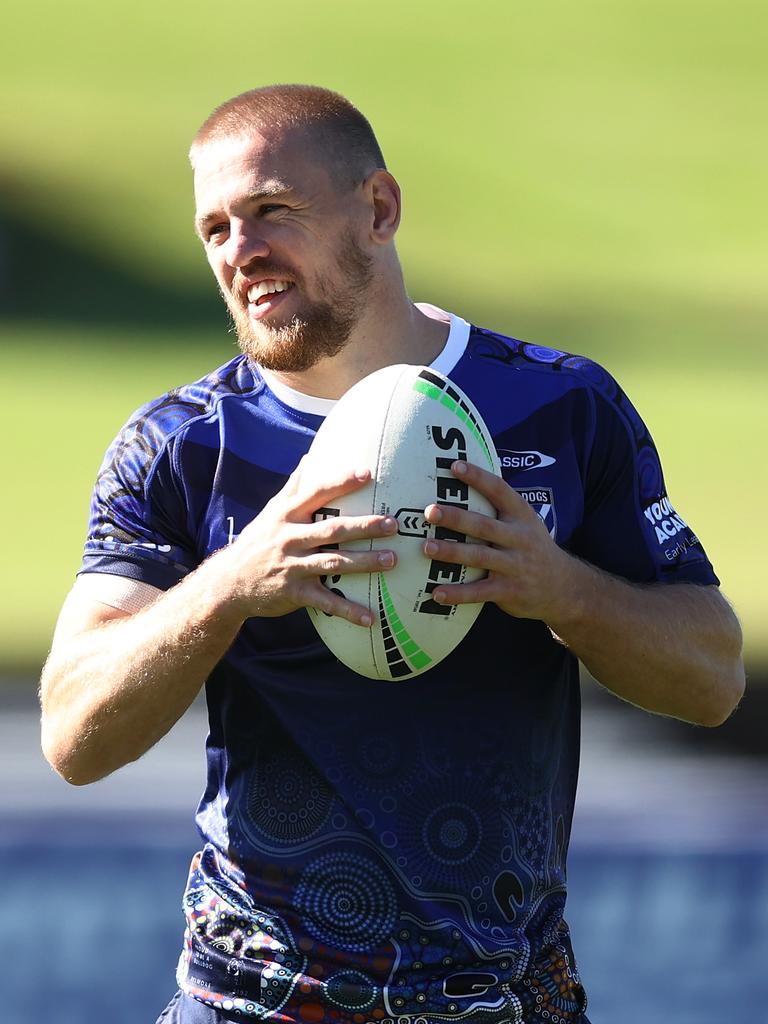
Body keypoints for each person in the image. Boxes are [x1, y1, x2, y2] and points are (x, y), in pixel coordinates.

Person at [40, 85, 745, 1024]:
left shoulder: (560, 408)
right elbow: (73, 735)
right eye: (214, 228)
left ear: (379, 209)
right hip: (255, 1002)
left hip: (505, 1000)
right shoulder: (182, 443)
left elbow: (713, 675)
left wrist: (559, 588)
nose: (239, 252)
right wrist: (232, 587)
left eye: (271, 211)